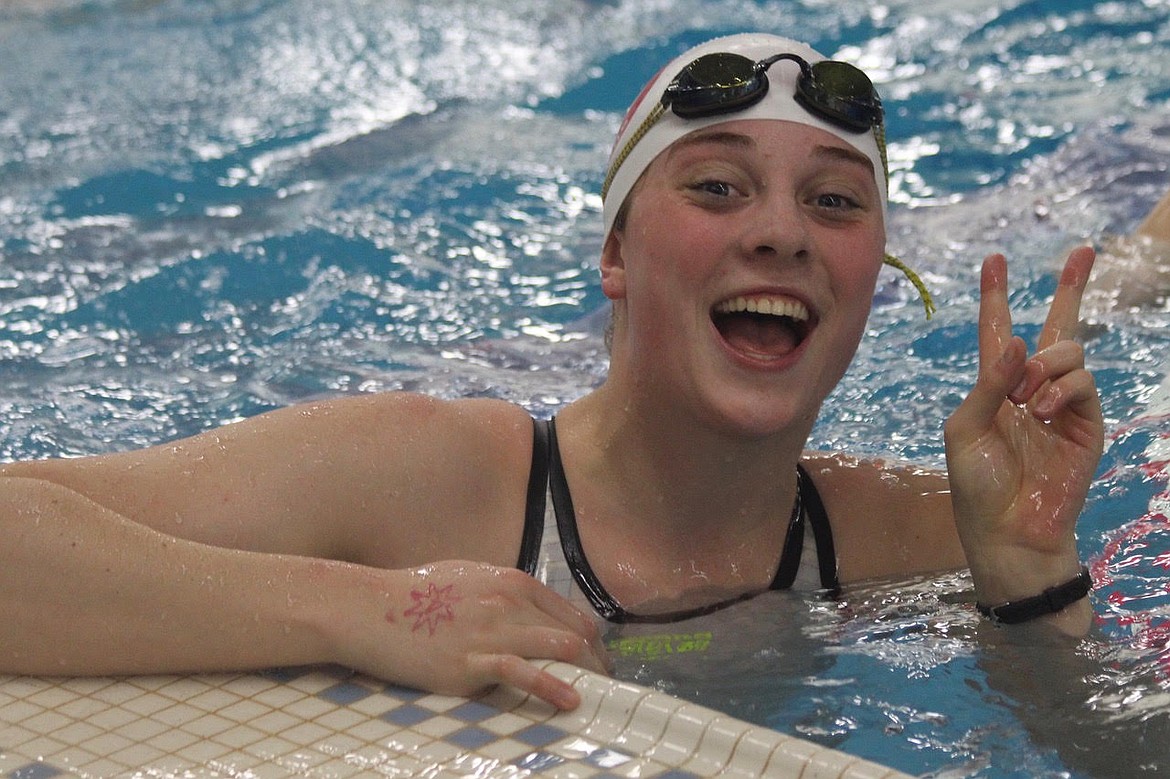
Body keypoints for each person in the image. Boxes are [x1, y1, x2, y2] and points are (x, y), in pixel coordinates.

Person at [0, 33, 1107, 714]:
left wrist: (1033, 578)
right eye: (718, 187)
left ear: (871, 275)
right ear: (616, 256)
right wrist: (369, 609)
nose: (783, 233)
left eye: (834, 200)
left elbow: (1117, 751)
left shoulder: (917, 533)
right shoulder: (431, 478)